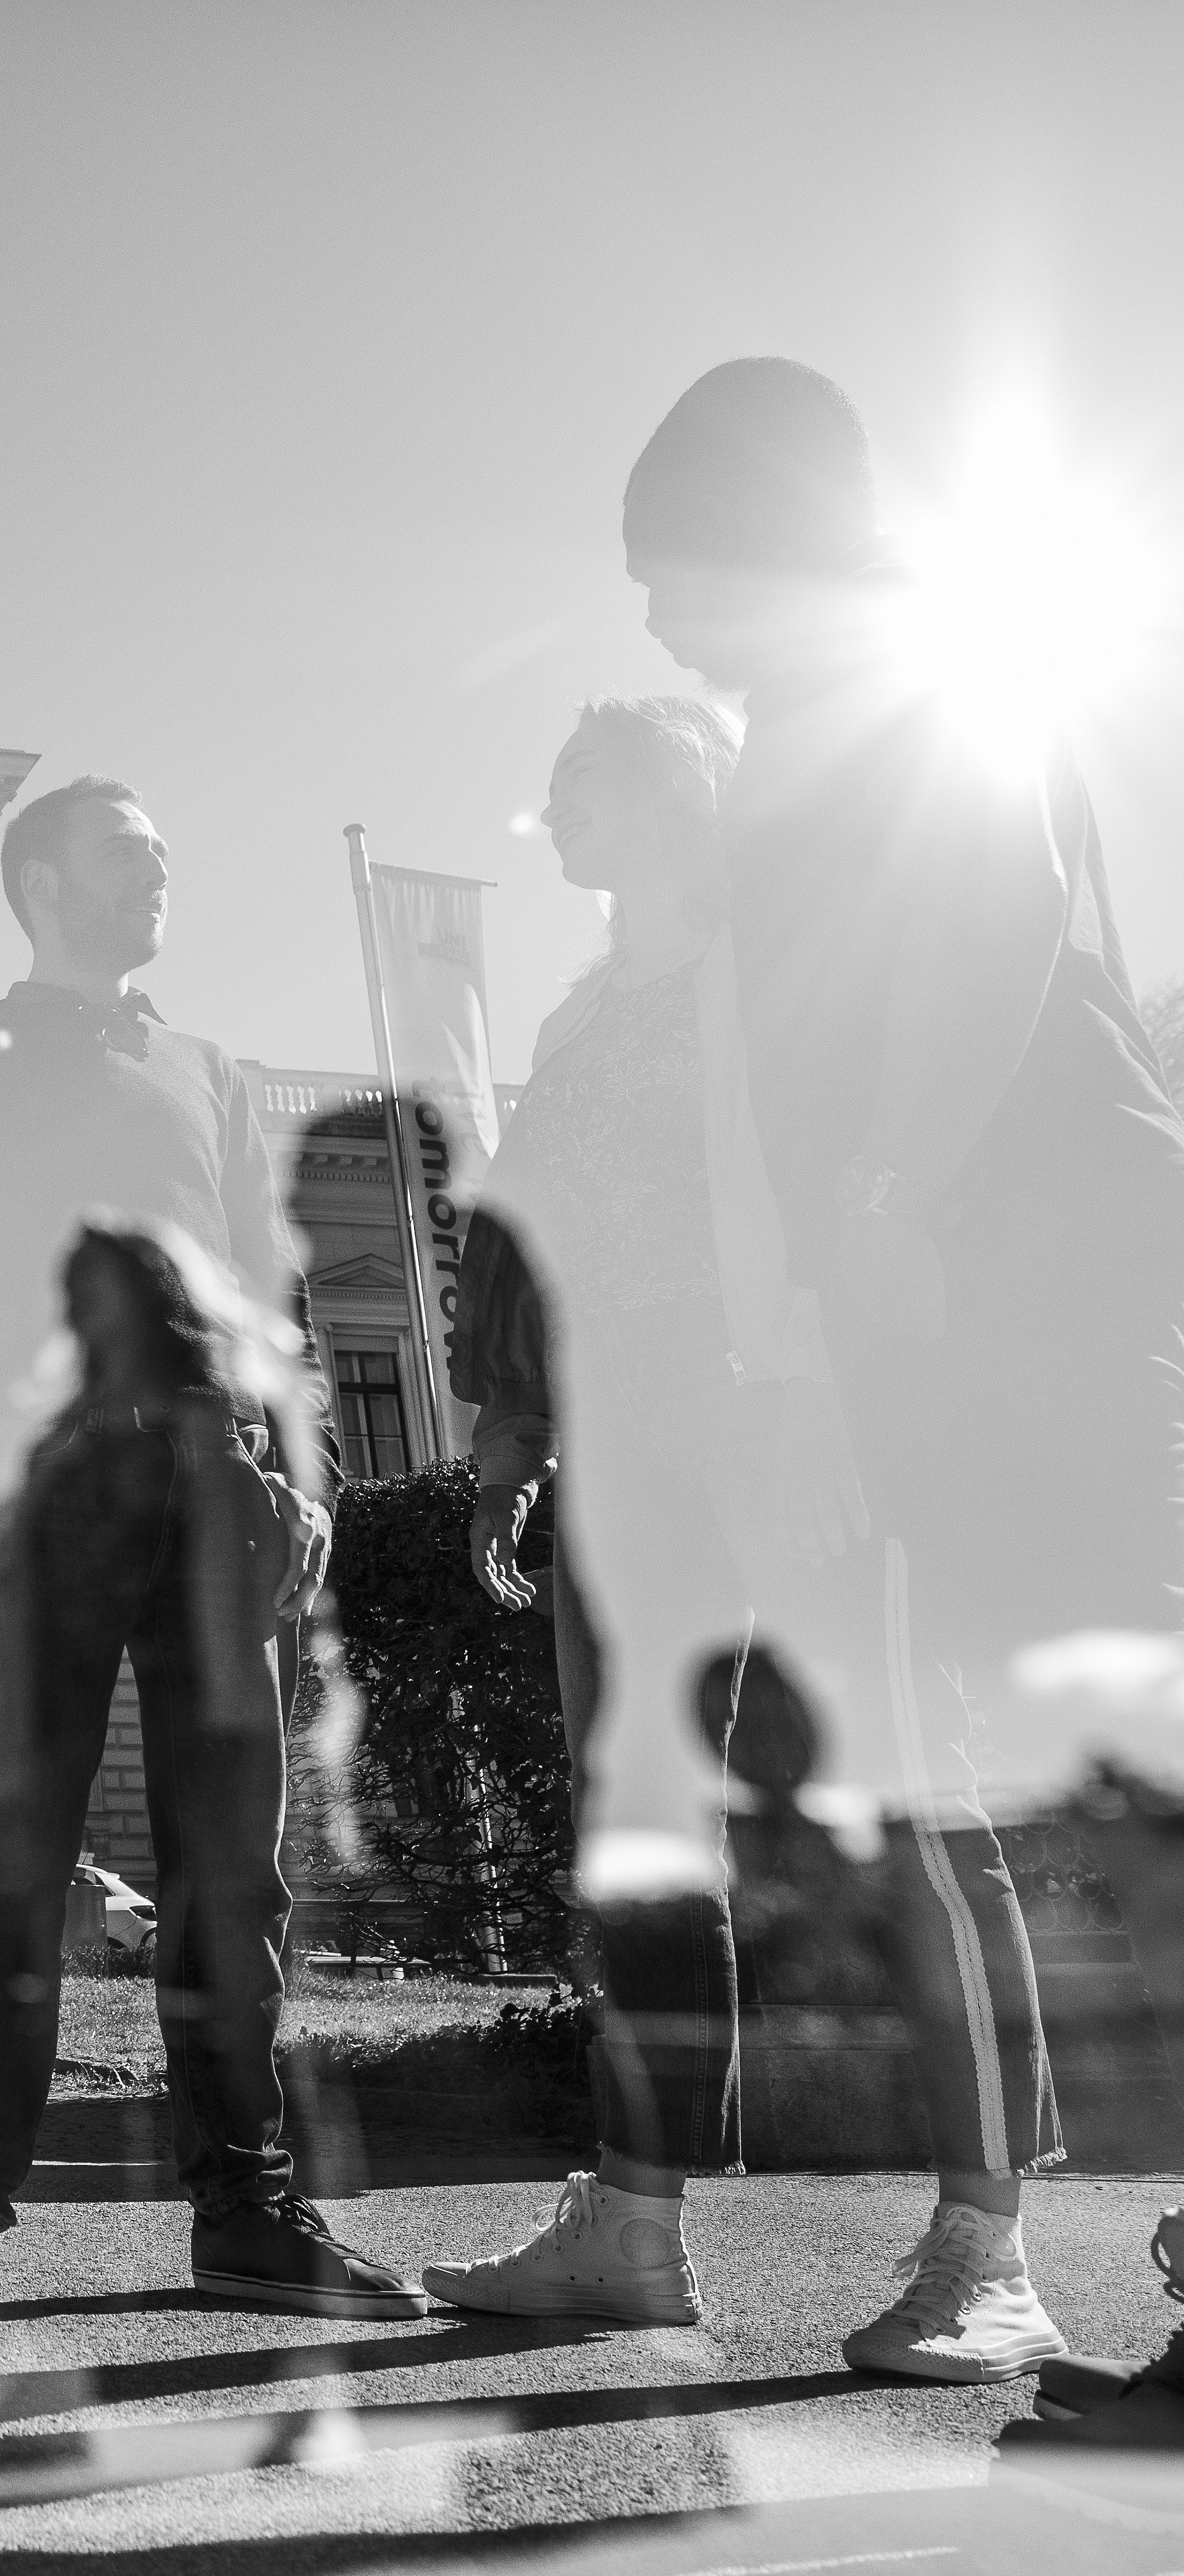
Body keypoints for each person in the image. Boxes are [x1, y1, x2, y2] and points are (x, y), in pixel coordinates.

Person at [623, 356, 1184, 2387]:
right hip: (906, 1300)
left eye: (673, 577)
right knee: (956, 1782)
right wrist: (815, 1307)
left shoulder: (924, 658)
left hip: (1027, 1267)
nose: (666, 627)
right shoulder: (797, 730)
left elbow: (1000, 914)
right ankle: (990, 2245)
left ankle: (1009, 2251)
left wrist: (893, 1194)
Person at [417, 699, 1062, 2347]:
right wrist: (507, 1439)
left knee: (910, 1800)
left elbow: (876, 1185)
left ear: (691, 789)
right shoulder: (572, 1021)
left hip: (795, 1425)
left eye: (598, 771)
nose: (559, 798)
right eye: (551, 777)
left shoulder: (784, 977)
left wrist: (839, 1394)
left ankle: (984, 2251)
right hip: (625, 1457)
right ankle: (632, 2229)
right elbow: (533, 1251)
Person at [0, 775, 407, 2329]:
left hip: (215, 1500)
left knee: (232, 1873)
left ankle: (248, 2208)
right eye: (126, 852)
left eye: (164, 853)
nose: (157, 873)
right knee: (9, 1872)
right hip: (33, 1494)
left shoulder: (209, 1069)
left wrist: (311, 1479)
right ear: (38, 880)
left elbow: (269, 1306)